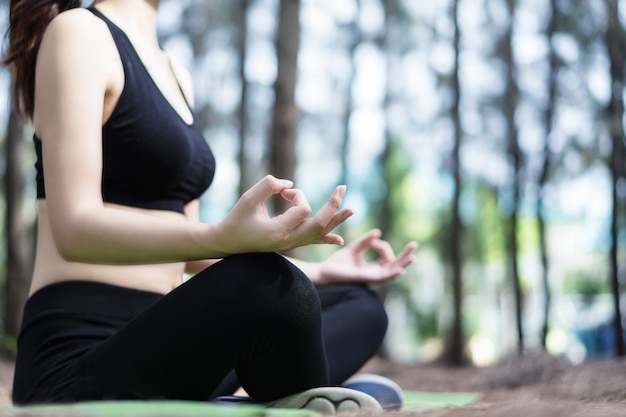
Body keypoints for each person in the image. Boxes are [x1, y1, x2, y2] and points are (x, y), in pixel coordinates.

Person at [4, 0, 417, 413]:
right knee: (272, 288)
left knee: (359, 305)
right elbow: (76, 229)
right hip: (78, 361)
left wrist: (322, 271)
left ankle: (245, 399)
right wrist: (225, 239)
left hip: (168, 342)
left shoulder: (175, 71)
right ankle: (283, 394)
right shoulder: (77, 32)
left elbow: (190, 249)